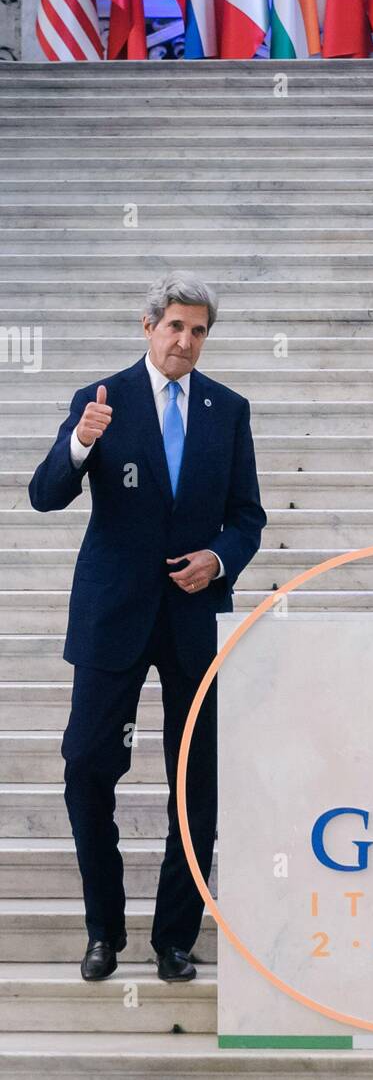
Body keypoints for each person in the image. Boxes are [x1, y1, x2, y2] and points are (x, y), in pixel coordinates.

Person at [28, 272, 266, 983]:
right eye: (175, 328)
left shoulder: (228, 409)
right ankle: (105, 931)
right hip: (113, 614)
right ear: (148, 327)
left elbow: (248, 517)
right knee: (87, 766)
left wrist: (219, 558)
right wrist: (77, 444)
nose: (186, 341)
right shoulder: (100, 400)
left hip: (195, 617)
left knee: (196, 781)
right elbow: (44, 496)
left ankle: (174, 940)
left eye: (198, 331)